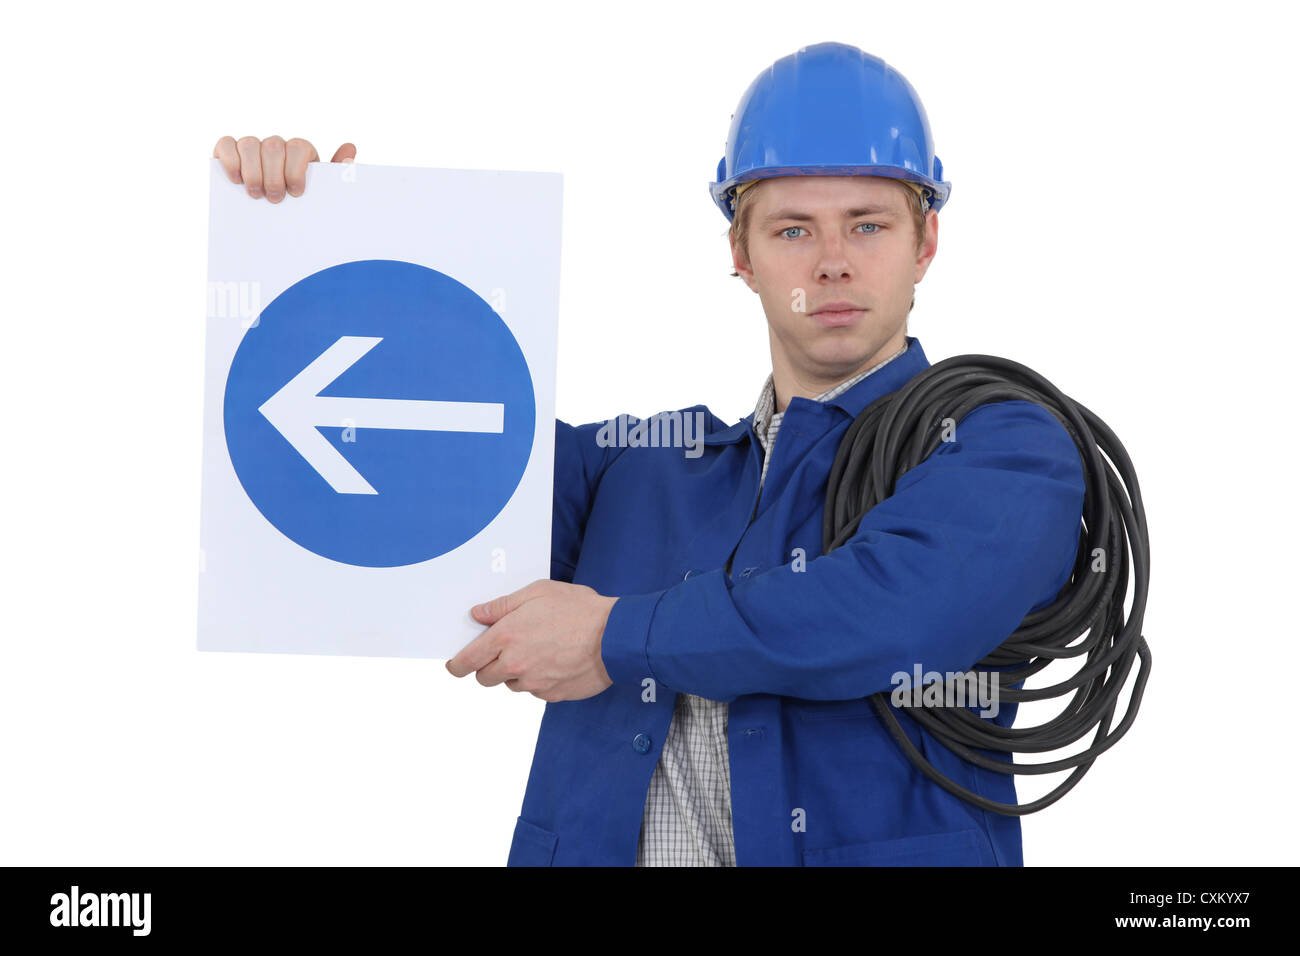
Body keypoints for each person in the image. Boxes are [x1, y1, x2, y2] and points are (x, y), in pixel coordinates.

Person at [214, 41, 1085, 867]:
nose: (829, 264)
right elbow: (423, 451)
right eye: (791, 231)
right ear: (739, 253)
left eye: (867, 226)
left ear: (924, 243)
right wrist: (318, 239)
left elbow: (881, 616)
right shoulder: (636, 471)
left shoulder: (1001, 449)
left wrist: (615, 634)